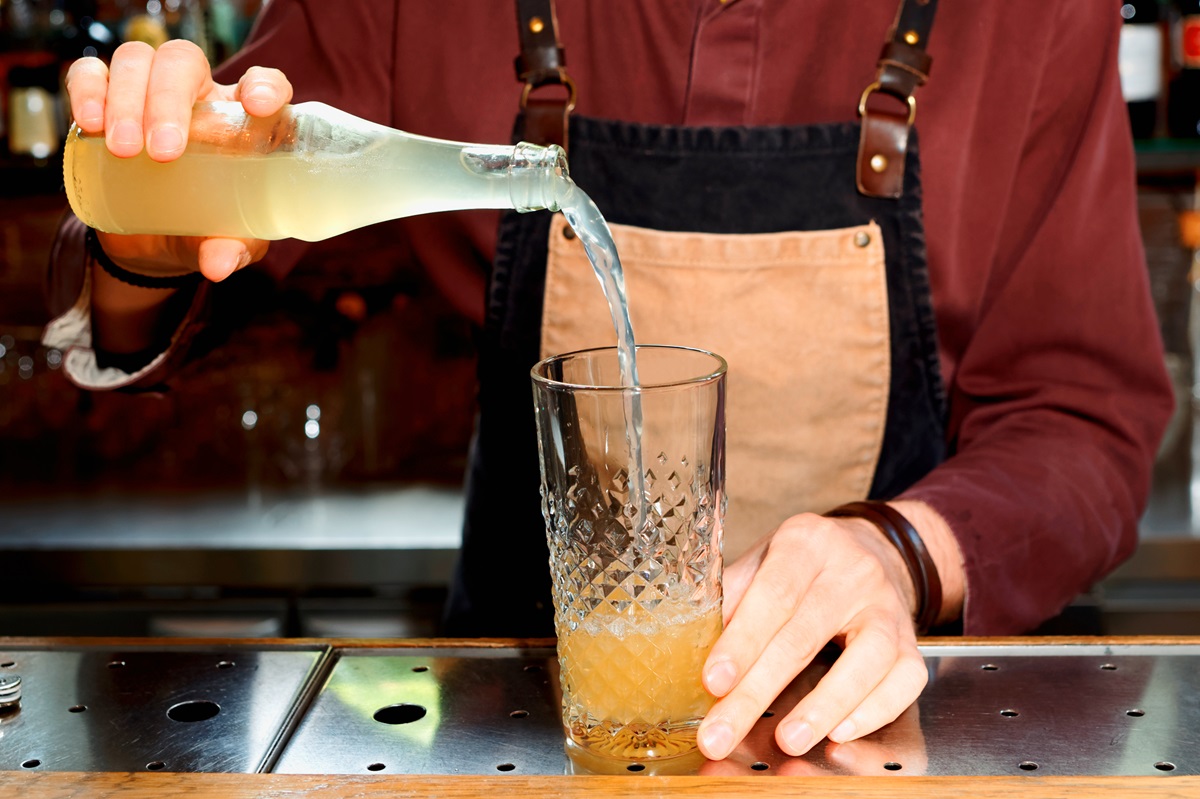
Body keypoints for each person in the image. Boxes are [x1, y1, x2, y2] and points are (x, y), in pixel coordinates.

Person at [45, 0, 1173, 764]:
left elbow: (1087, 413)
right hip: (530, 726)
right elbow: (175, 266)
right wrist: (146, 227)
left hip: (883, 734)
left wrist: (904, 548)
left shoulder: (1029, 17)